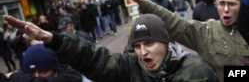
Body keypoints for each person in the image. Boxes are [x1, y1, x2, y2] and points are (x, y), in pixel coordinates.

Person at [3, 14, 218, 82]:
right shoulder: (131, 66)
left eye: (149, 44)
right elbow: (93, 57)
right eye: (138, 46)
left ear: (165, 42)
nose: (143, 52)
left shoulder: (196, 70)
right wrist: (54, 39)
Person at [116, 0, 248, 82]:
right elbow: (175, 23)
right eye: (221, 4)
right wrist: (141, 1)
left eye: (231, 4)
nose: (225, 9)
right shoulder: (206, 31)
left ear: (241, 5)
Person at [6, 43, 84, 82]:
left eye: (43, 71)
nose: (36, 77)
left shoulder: (71, 76)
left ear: (54, 69)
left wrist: (13, 77)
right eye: (31, 73)